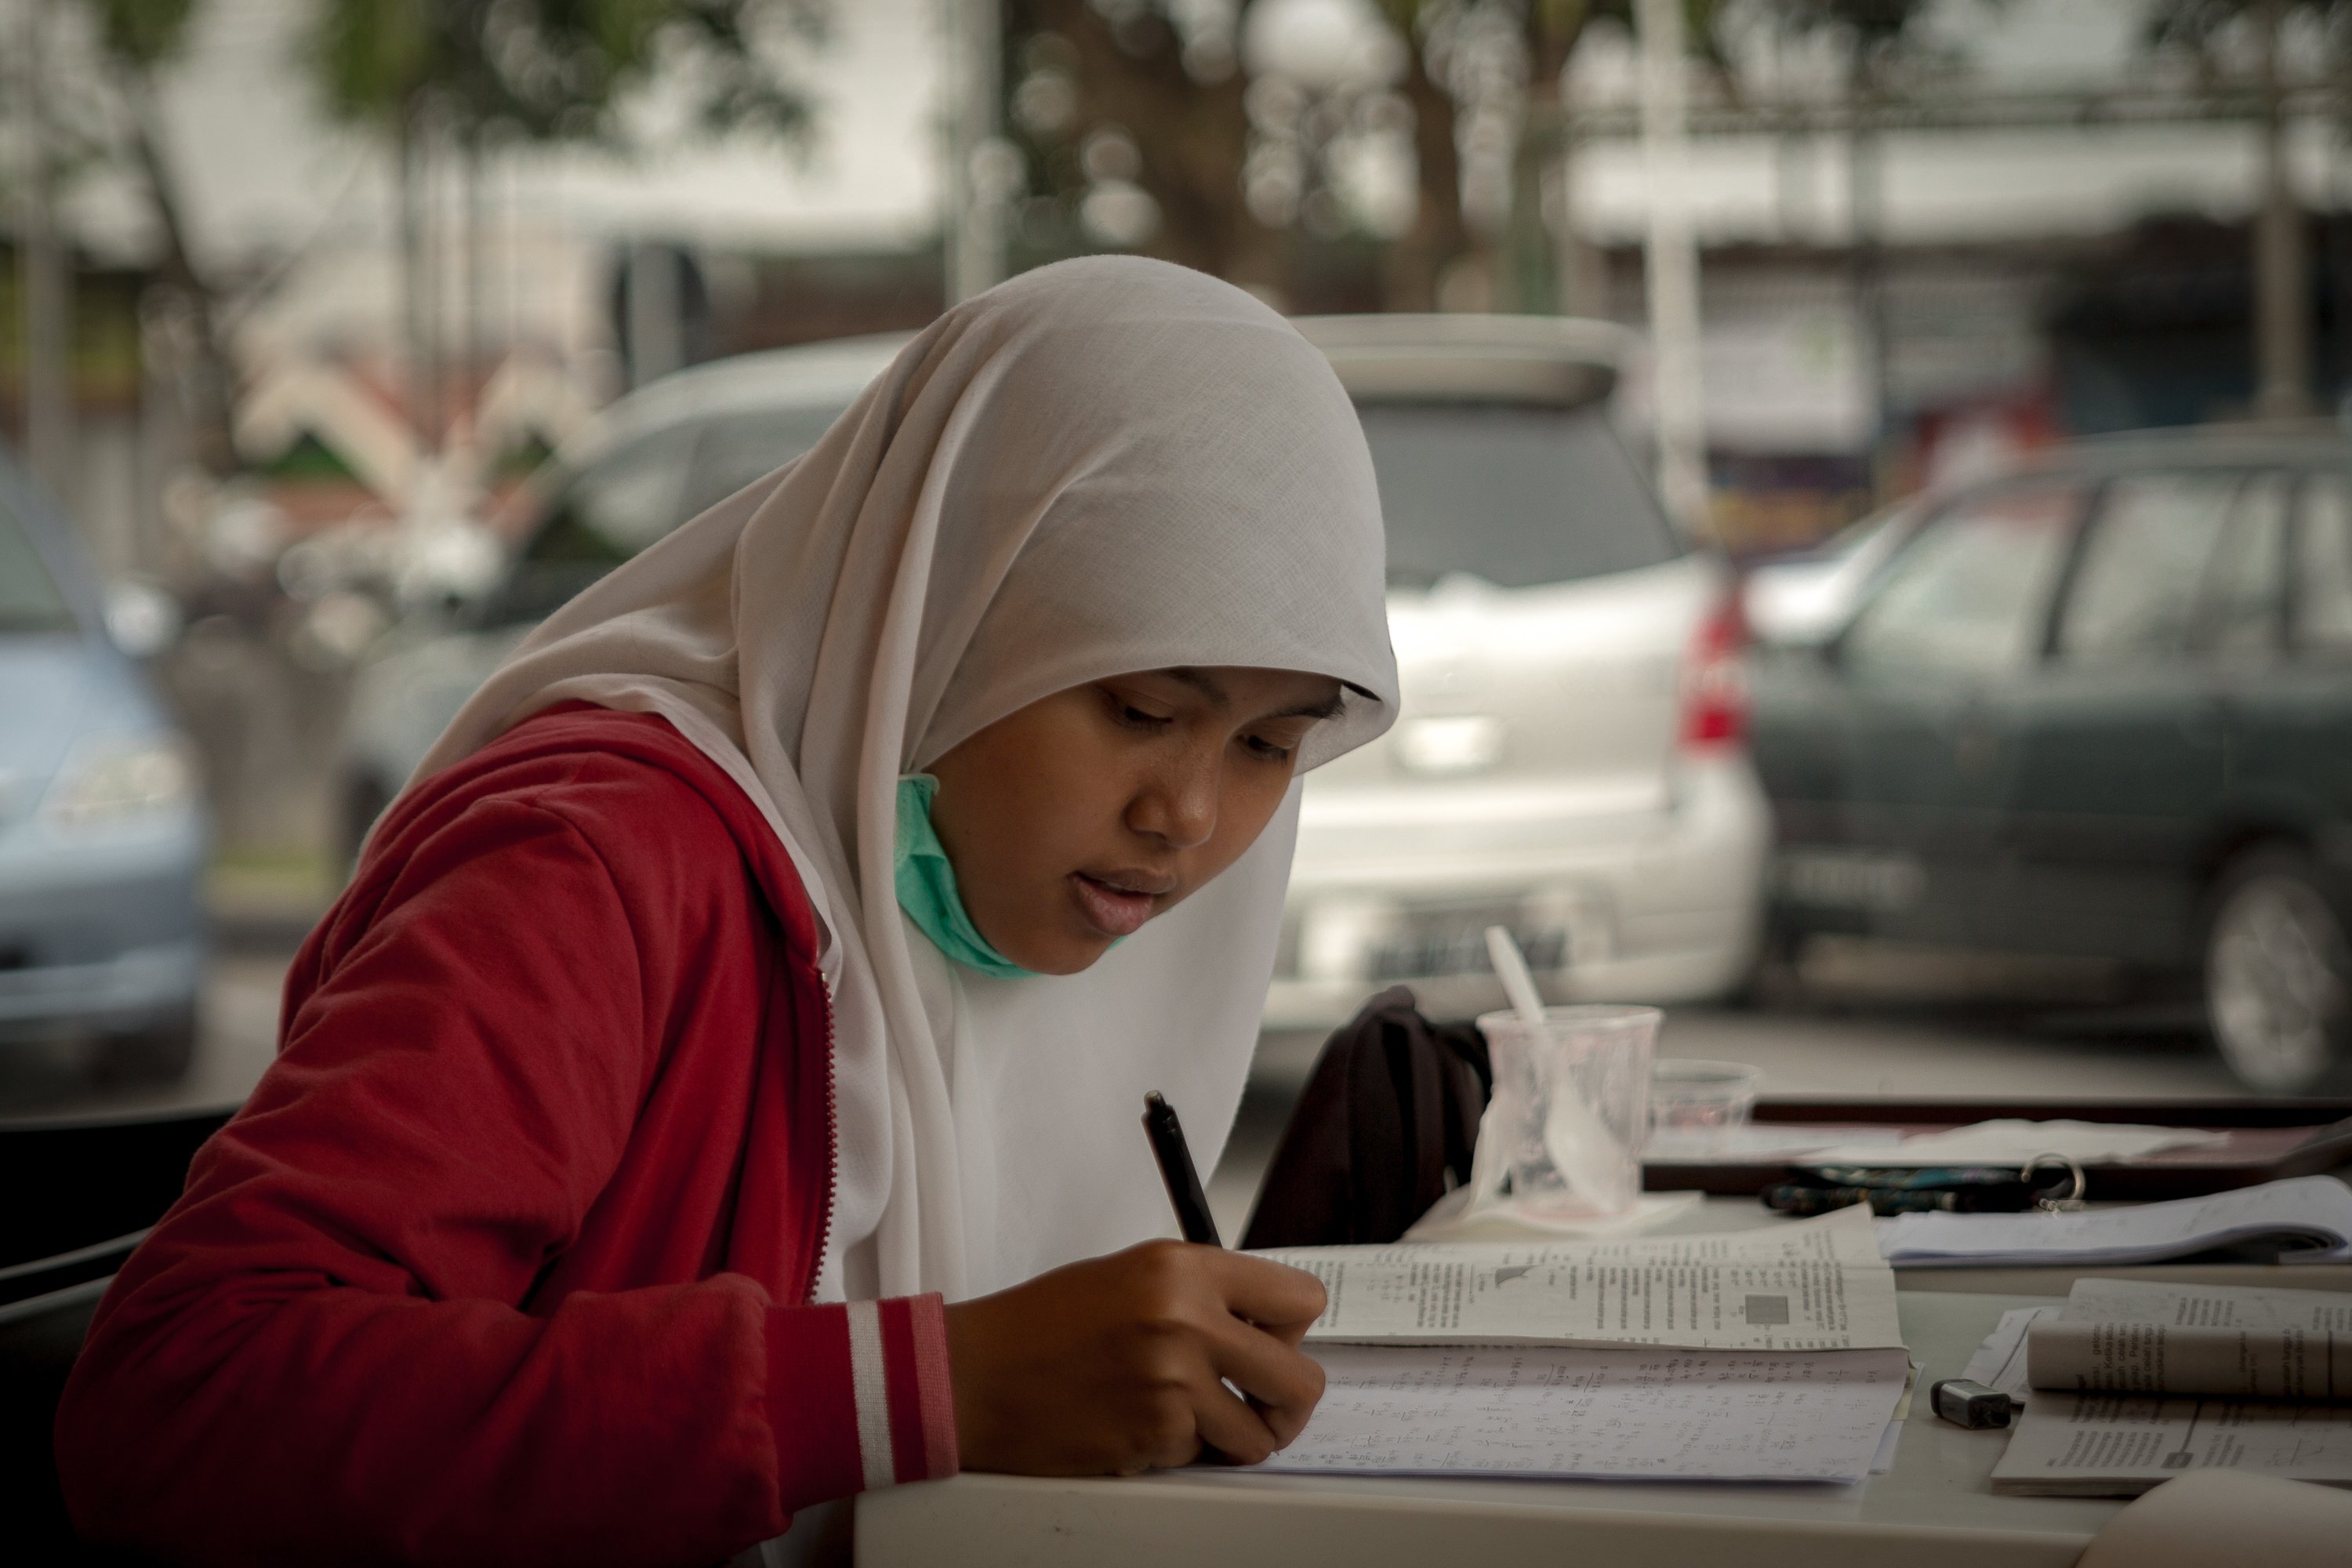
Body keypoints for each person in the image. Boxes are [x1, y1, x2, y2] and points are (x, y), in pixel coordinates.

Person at [55, 256, 1399, 1565]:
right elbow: (188, 1395)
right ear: (948, 618)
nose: (1192, 817)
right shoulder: (592, 870)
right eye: (1140, 710)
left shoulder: (1010, 895)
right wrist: (915, 1388)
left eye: (1269, 747)